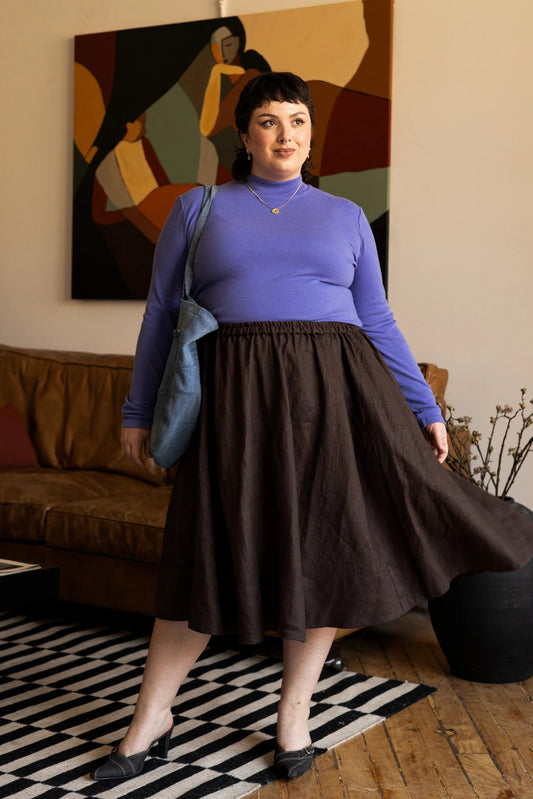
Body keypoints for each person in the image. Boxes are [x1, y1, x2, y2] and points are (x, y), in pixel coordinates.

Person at [91, 72, 533, 783]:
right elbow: (159, 314)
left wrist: (423, 406)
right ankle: (151, 715)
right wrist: (137, 410)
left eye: (296, 121)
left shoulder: (344, 215)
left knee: (324, 549)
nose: (285, 135)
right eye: (269, 121)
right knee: (205, 552)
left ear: (309, 132)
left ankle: (292, 712)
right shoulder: (197, 208)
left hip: (337, 397)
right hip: (235, 401)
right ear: (243, 134)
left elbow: (376, 318)